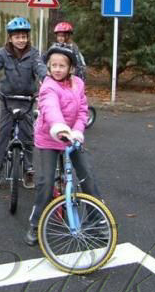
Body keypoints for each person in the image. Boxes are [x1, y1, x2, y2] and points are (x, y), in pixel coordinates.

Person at [24, 43, 102, 246]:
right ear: (48, 67)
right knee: (46, 182)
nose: (57, 69)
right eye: (53, 65)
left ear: (70, 68)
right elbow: (50, 108)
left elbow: (83, 111)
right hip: (49, 138)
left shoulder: (78, 84)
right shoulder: (48, 85)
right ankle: (36, 223)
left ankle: (97, 221)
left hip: (72, 138)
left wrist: (76, 131)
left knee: (87, 176)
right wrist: (60, 127)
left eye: (62, 65)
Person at [0, 16, 47, 189]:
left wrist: (47, 81)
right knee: (4, 133)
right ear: (10, 38)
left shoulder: (33, 53)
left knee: (27, 136)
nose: (21, 40)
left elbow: (41, 68)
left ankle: (28, 169)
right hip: (7, 99)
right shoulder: (3, 53)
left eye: (24, 36)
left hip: (26, 99)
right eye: (17, 37)